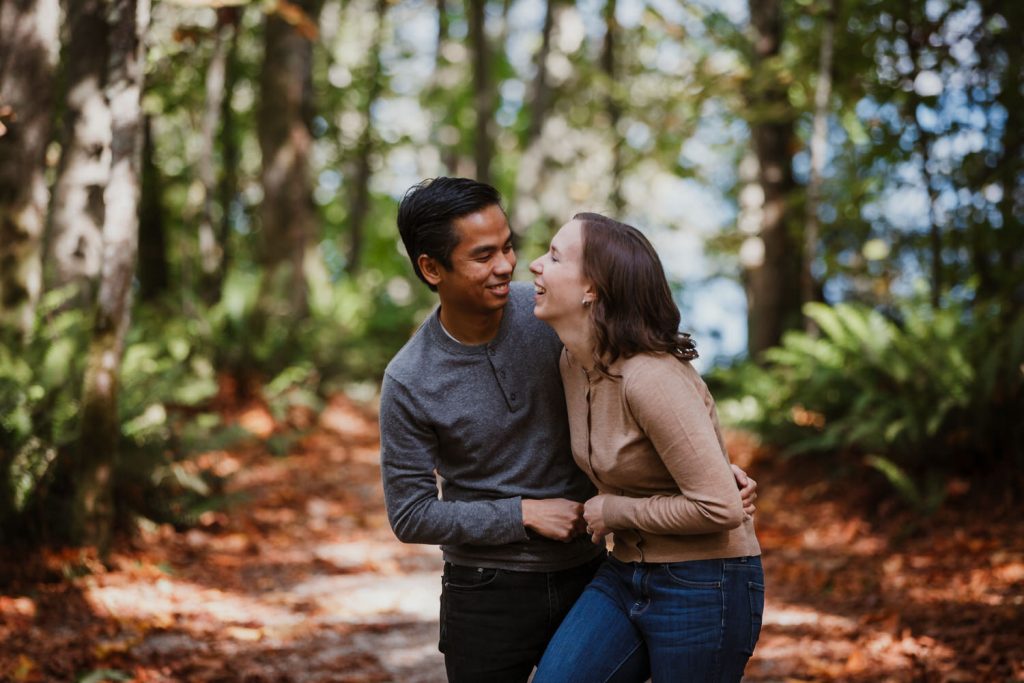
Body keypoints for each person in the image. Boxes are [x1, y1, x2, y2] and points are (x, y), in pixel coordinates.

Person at [378, 178, 758, 683]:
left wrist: (702, 466)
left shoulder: (550, 316)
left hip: (592, 567)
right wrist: (521, 515)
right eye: (483, 255)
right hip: (487, 590)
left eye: (509, 246)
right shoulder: (410, 378)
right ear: (431, 268)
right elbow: (410, 514)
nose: (509, 265)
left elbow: (648, 386)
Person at [529, 212, 765, 682]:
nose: (535, 265)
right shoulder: (572, 363)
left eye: (555, 256)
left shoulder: (651, 376)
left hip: (705, 581)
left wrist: (615, 511)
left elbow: (721, 507)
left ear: (591, 288)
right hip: (624, 574)